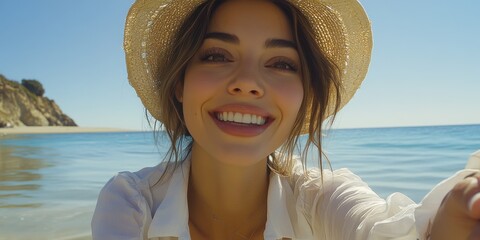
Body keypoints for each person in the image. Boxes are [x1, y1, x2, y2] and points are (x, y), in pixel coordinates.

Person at [92, 0, 480, 239]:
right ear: (180, 84)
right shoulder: (131, 204)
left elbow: (379, 230)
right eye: (216, 55)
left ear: (305, 96)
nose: (246, 83)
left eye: (281, 63)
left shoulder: (321, 197)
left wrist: (454, 216)